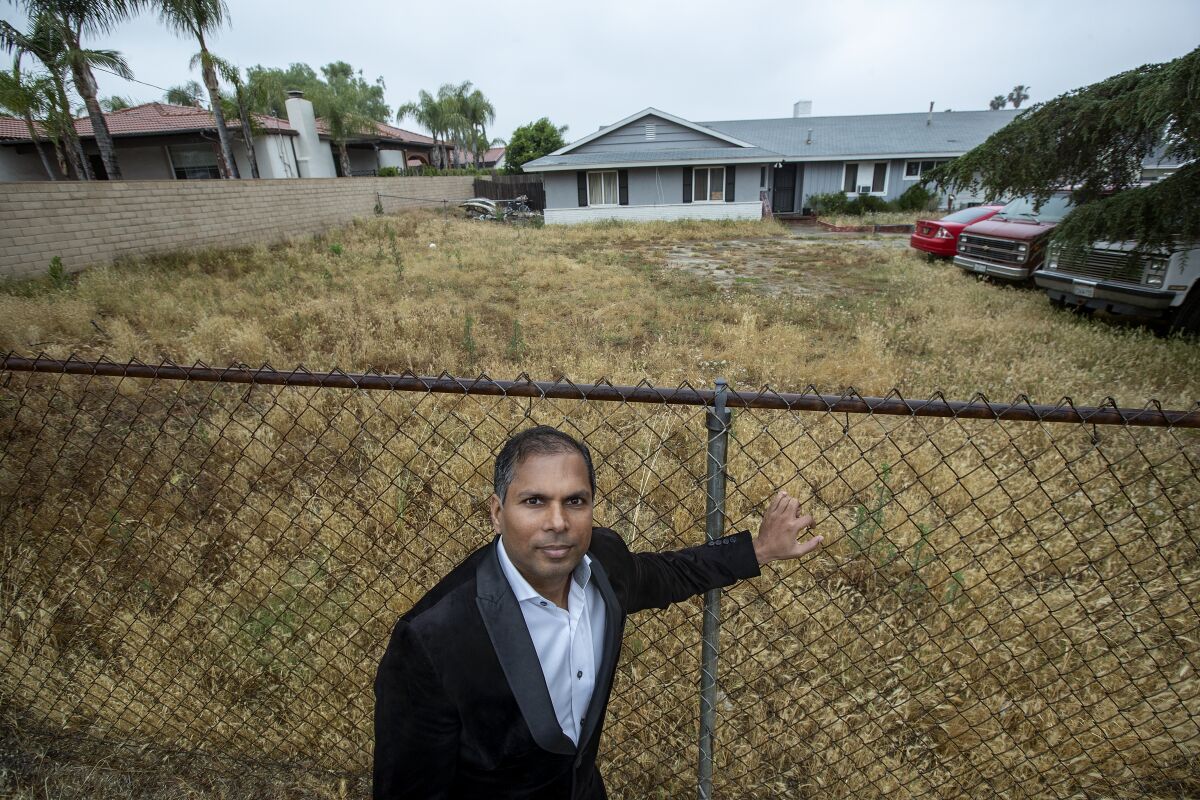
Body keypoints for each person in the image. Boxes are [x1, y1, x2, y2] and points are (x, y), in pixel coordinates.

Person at [373, 425, 822, 799]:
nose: (557, 522)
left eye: (575, 501)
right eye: (534, 501)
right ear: (496, 512)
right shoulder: (433, 639)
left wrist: (757, 550)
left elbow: (666, 574)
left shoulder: (603, 562)